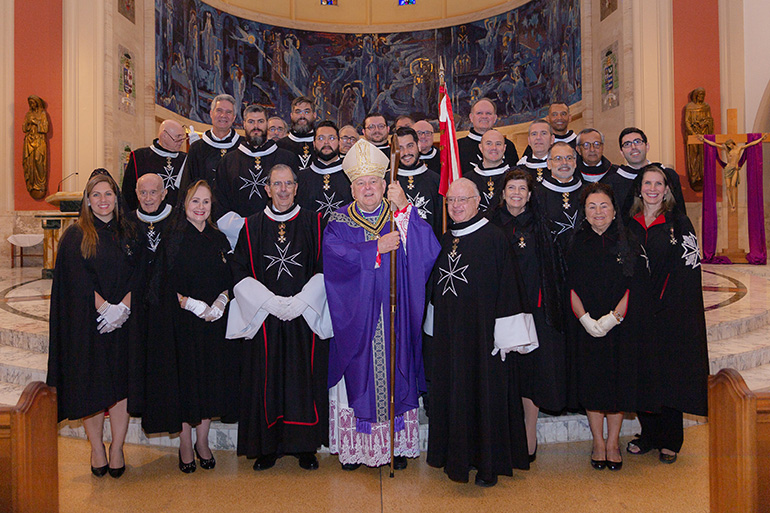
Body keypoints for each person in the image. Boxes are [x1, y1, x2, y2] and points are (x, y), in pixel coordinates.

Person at [323, 138, 440, 471]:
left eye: (373, 181)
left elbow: (427, 249)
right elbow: (334, 258)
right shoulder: (339, 222)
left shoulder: (399, 215)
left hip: (395, 314)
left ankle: (395, 447)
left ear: (383, 184)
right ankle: (356, 448)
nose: (368, 187)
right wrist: (376, 249)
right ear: (352, 188)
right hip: (357, 318)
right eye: (361, 183)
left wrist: (405, 209)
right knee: (359, 374)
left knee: (396, 370)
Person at [425, 177, 538, 487]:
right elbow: (437, 288)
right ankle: (454, 456)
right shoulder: (448, 238)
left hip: (484, 340)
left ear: (478, 202)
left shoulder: (494, 237)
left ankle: (487, 464)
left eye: (463, 200)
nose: (456, 206)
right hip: (451, 337)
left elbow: (509, 288)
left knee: (484, 395)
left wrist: (504, 337)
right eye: (451, 201)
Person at [227, 164, 331, 471]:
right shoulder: (250, 226)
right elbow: (239, 270)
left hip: (303, 317)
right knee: (266, 379)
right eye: (277, 184)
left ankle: (305, 446)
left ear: (297, 188)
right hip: (266, 318)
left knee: (303, 379)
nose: (283, 190)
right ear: (267, 189)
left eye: (288, 184)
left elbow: (326, 265)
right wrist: (269, 302)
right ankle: (267, 447)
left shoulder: (315, 223)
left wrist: (302, 301)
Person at [47, 169, 139, 479]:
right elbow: (74, 279)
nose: (103, 200)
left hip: (125, 322)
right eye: (96, 194)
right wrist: (104, 309)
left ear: (117, 197)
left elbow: (140, 273)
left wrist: (124, 307)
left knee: (121, 384)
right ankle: (97, 446)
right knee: (92, 386)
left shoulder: (129, 231)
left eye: (108, 194)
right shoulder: (76, 234)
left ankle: (117, 448)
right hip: (90, 324)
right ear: (87, 200)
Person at [142, 180, 234, 474]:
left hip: (212, 324)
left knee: (208, 383)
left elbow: (230, 277)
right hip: (182, 324)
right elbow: (159, 285)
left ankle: (203, 441)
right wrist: (189, 304)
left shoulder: (218, 239)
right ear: (184, 204)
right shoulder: (173, 237)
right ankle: (185, 444)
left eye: (206, 202)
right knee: (185, 384)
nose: (200, 207)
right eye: (195, 201)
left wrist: (222, 300)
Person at [566, 182, 654, 471]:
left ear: (615, 209)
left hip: (621, 326)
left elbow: (635, 285)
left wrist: (613, 318)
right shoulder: (574, 242)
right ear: (585, 211)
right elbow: (568, 285)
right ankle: (597, 442)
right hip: (586, 326)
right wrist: (585, 320)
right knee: (592, 384)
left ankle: (613, 442)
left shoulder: (629, 239)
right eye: (591, 206)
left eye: (604, 205)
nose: (598, 211)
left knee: (616, 385)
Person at [626, 164, 709, 464]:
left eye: (658, 184)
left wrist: (663, 301)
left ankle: (670, 439)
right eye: (647, 183)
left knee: (669, 375)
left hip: (670, 314)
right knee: (643, 376)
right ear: (639, 188)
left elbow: (687, 270)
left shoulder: (680, 223)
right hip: (637, 315)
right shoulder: (629, 223)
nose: (652, 189)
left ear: (667, 189)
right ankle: (648, 434)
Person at [488, 169, 568, 462]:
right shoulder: (490, 223)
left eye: (522, 189)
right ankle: (502, 434)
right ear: (503, 192)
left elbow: (552, 271)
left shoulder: (541, 226)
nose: (517, 194)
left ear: (530, 194)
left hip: (534, 312)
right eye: (512, 188)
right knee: (503, 374)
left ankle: (529, 433)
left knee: (532, 374)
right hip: (500, 313)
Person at [215, 104, 300, 249]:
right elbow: (219, 202)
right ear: (243, 124)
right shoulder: (228, 161)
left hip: (280, 234)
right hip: (239, 237)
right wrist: (245, 229)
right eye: (251, 122)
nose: (256, 126)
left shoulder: (287, 158)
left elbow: (296, 197)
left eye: (260, 121)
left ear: (267, 123)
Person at [604, 127, 685, 220]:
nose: (633, 147)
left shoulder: (668, 175)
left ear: (647, 146)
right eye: (627, 144)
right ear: (621, 152)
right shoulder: (612, 182)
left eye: (637, 142)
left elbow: (680, 212)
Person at [122, 119, 188, 211]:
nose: (181, 141)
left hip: (179, 218)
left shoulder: (186, 158)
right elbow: (128, 193)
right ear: (164, 136)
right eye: (178, 137)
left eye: (183, 137)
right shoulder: (140, 157)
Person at [387, 127, 442, 237]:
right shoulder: (386, 180)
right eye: (400, 148)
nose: (406, 152)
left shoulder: (436, 180)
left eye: (410, 146)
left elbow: (440, 222)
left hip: (429, 247)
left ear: (419, 146)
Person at [182, 94, 241, 191]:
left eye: (228, 112)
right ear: (211, 114)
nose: (223, 115)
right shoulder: (197, 148)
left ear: (234, 117)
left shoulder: (243, 146)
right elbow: (188, 185)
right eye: (219, 110)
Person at [296, 120, 352, 222]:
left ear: (339, 142)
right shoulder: (301, 178)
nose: (326, 142)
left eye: (331, 138)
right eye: (321, 138)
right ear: (313, 143)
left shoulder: (351, 174)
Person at [533, 142, 584, 249]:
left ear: (575, 162)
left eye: (569, 158)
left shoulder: (588, 192)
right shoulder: (536, 195)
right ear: (548, 164)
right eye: (558, 159)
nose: (564, 163)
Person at [697, 134, 767, 210]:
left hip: (735, 169)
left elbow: (750, 144)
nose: (729, 146)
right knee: (728, 186)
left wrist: (761, 139)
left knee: (733, 185)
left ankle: (734, 203)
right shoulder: (727, 150)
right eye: (727, 145)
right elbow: (714, 144)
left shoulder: (739, 148)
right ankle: (730, 204)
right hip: (728, 169)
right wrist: (704, 140)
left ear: (732, 143)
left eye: (729, 144)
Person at [457, 98, 518, 175]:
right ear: (471, 117)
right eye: (479, 113)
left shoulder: (508, 146)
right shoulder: (458, 146)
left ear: (495, 118)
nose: (484, 116)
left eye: (488, 113)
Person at [465, 129, 511, 212]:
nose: (494, 148)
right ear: (481, 147)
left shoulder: (515, 177)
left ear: (504, 148)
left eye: (498, 144)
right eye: (489, 144)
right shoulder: (468, 180)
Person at [277, 96, 317, 168]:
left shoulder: (321, 144)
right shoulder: (280, 145)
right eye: (298, 112)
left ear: (314, 115)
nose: (302, 116)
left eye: (307, 112)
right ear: (291, 115)